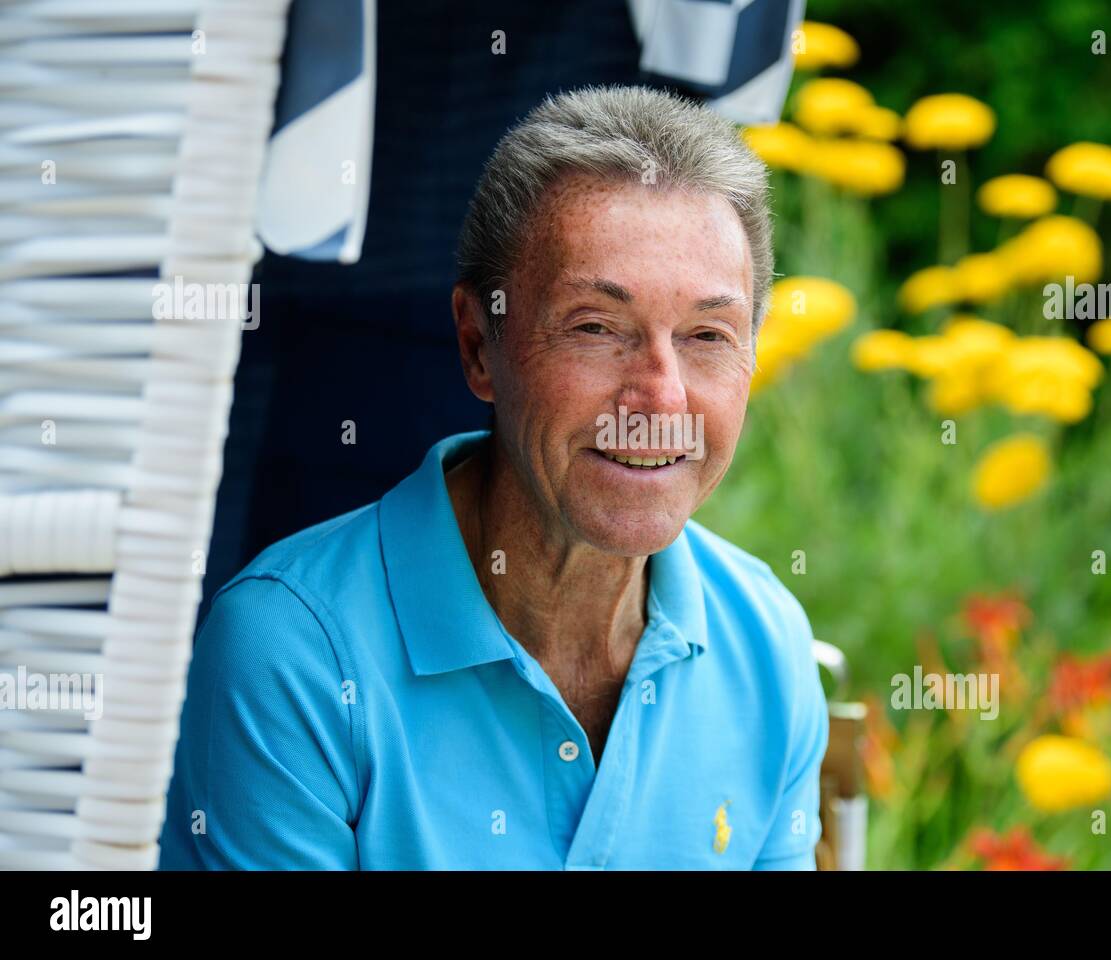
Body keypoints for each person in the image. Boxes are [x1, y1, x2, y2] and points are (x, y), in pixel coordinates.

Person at [159, 84, 828, 870]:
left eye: (708, 335)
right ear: (480, 347)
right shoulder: (293, 654)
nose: (663, 396)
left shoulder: (767, 644)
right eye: (596, 328)